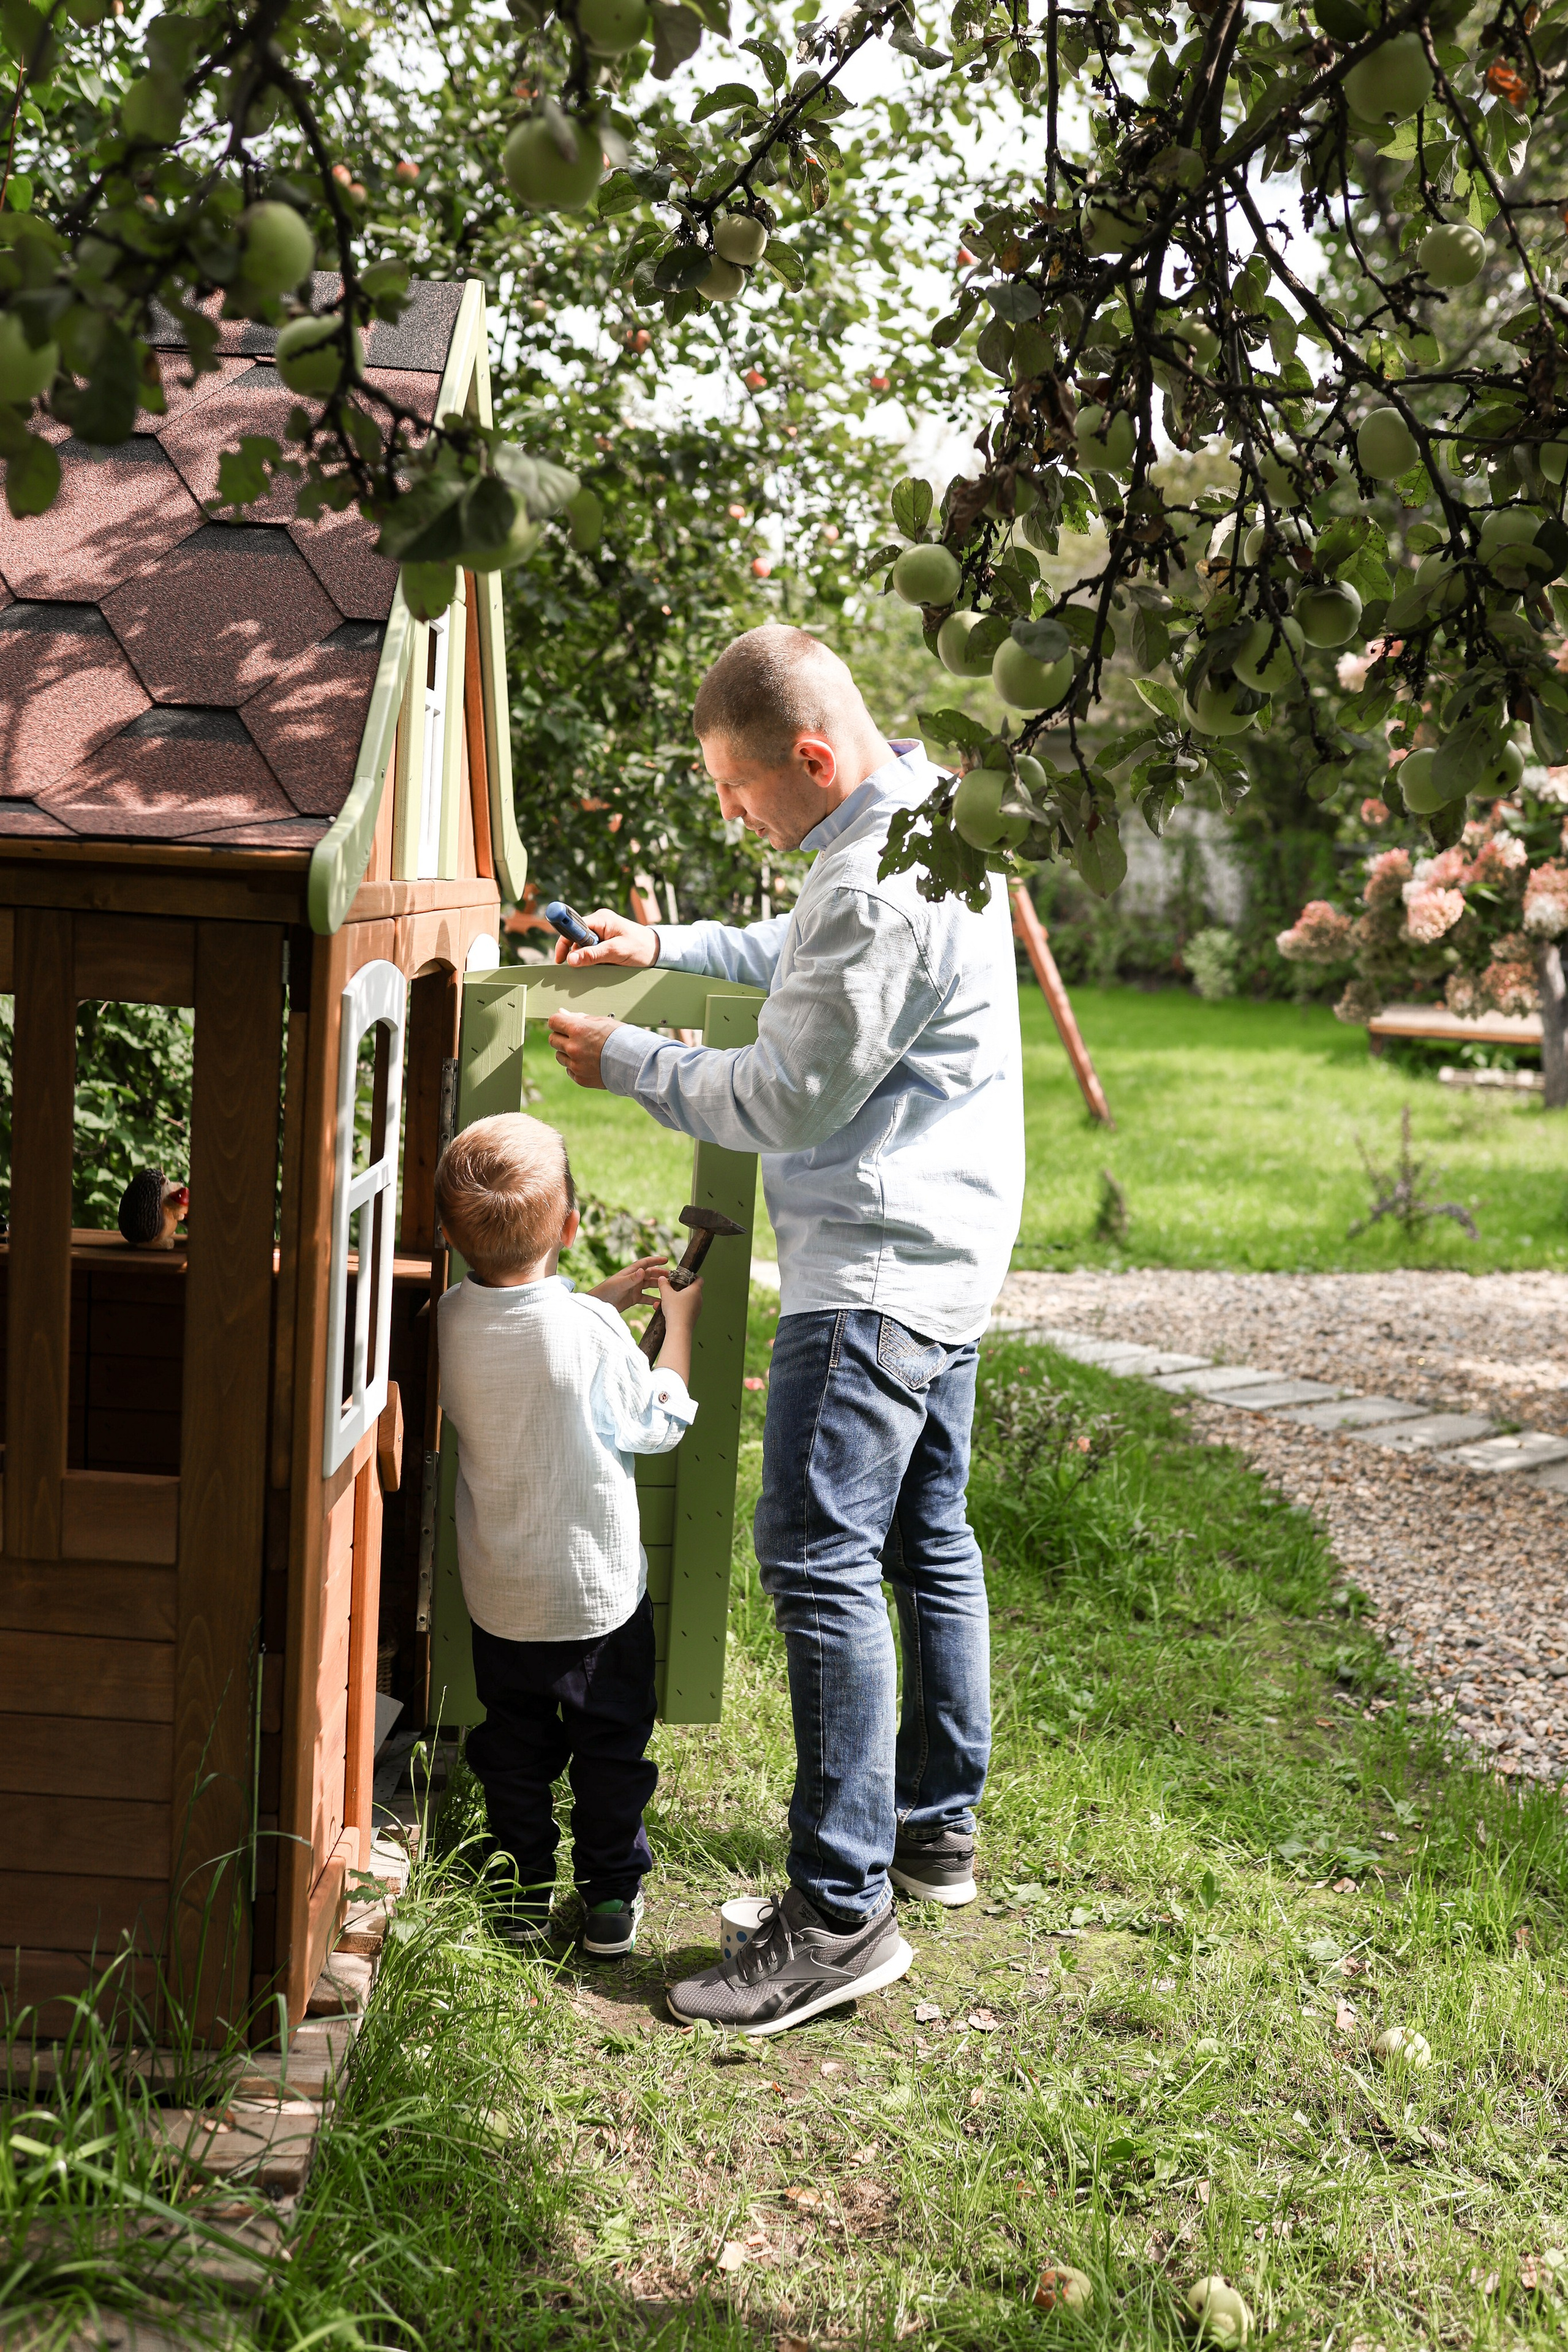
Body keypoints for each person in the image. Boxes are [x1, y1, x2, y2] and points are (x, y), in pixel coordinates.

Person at [546, 624, 1025, 2034]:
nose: (730, 813)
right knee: (924, 1537)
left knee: (815, 1556)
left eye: (736, 790)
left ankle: (835, 1916)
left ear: (810, 758)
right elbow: (802, 951)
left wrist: (633, 1059)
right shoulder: (926, 814)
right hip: (947, 1247)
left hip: (871, 1268)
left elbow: (782, 1096)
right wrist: (669, 945)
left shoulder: (876, 886)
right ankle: (930, 1831)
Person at [434, 1111, 703, 1959]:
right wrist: (678, 1330)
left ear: (451, 1237)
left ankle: (520, 1892)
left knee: (513, 1750)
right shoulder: (591, 1334)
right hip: (596, 1600)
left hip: (501, 1596)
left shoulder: (445, 1320)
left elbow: (521, 1342)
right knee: (611, 1751)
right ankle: (611, 1898)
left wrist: (596, 1303)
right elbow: (656, 1424)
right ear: (571, 1227)